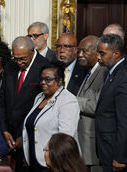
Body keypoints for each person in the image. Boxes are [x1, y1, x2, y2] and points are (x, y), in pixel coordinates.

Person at [0, 36, 49, 171]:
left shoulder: (45, 66)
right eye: (16, 58)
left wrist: (24, 135)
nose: (19, 62)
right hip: (9, 135)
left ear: (32, 51)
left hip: (32, 136)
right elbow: (2, 99)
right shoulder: (10, 66)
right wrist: (4, 129)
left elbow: (45, 105)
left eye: (23, 58)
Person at [22, 62, 80, 171]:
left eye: (48, 79)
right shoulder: (39, 97)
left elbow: (66, 136)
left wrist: (51, 158)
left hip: (55, 161)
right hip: (35, 159)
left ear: (59, 81)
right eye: (41, 79)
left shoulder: (68, 100)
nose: (43, 82)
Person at [95, 34, 127, 172]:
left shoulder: (123, 76)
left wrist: (120, 157)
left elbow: (124, 120)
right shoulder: (113, 72)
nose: (98, 57)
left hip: (115, 153)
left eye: (102, 53)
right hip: (107, 148)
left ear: (116, 53)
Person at [76, 35, 107, 172]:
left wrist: (71, 100)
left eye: (84, 51)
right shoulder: (89, 71)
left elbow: (97, 106)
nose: (80, 55)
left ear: (97, 52)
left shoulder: (104, 72)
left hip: (92, 145)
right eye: (79, 51)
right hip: (83, 143)